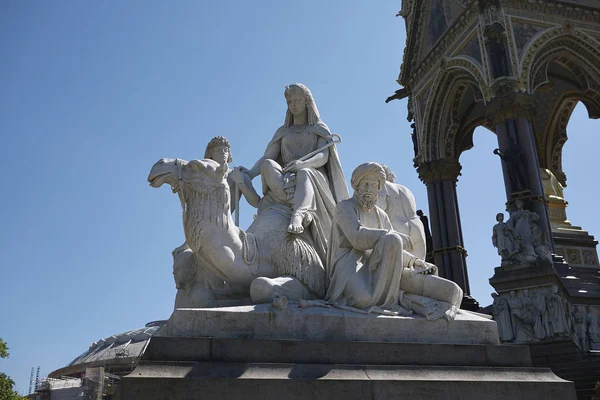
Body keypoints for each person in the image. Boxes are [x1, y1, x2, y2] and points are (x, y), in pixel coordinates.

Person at [324, 162, 462, 318]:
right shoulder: (345, 207)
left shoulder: (381, 214)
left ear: (379, 189)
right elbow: (357, 238)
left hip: (381, 267)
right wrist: (388, 234)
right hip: (350, 265)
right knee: (363, 300)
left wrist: (414, 261)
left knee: (451, 290)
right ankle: (406, 300)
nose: (369, 189)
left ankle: (407, 298)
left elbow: (393, 246)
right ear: (357, 186)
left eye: (374, 185)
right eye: (366, 184)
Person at [243, 84, 348, 261]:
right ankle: (285, 199)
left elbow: (323, 156)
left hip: (313, 175)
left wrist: (303, 164)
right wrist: (251, 173)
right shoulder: (283, 132)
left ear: (307, 101)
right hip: (284, 177)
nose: (293, 104)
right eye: (289, 101)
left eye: (297, 100)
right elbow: (267, 157)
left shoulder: (318, 128)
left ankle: (298, 214)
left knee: (305, 173)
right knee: (269, 164)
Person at [378, 165, 426, 259]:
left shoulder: (382, 185)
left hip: (398, 227)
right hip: (417, 227)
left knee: (397, 271)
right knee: (418, 269)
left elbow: (380, 208)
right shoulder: (405, 190)